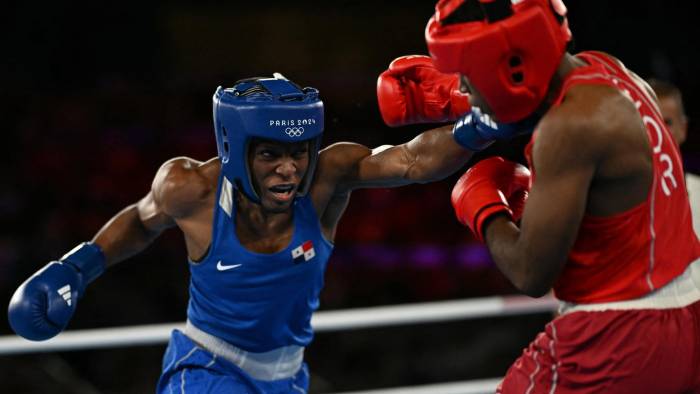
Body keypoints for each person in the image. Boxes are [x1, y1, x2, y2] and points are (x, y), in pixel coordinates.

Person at [7, 70, 511, 393]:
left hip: (288, 375)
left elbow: (411, 161)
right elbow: (141, 220)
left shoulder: (327, 178)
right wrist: (75, 266)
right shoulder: (191, 187)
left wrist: (483, 122)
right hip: (207, 370)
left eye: (297, 153)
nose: (289, 170)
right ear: (235, 149)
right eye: (270, 154)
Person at [416, 0, 700, 392]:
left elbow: (530, 272)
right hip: (681, 316)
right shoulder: (610, 70)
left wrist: (484, 206)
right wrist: (466, 106)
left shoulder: (570, 126)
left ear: (509, 65)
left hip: (614, 333)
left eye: (466, 73)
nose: (461, 85)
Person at [648, 78, 700, 237]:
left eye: (667, 122)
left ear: (683, 129)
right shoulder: (618, 200)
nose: (659, 132)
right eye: (651, 122)